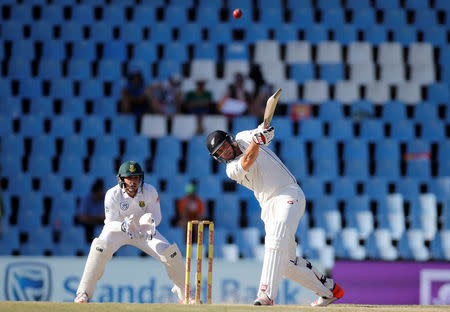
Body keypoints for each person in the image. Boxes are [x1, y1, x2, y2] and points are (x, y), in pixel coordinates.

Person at [205, 126, 345, 306]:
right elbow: (248, 159)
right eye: (220, 152)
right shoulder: (231, 169)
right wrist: (257, 141)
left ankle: (265, 295)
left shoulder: (243, 137)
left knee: (275, 239)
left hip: (288, 193)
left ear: (230, 140)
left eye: (225, 146)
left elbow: (265, 134)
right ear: (218, 158)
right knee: (284, 265)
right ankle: (328, 290)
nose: (225, 151)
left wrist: (264, 133)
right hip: (268, 205)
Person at [74, 161, 187, 304]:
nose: (133, 182)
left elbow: (157, 216)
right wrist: (123, 226)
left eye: (136, 178)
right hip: (118, 230)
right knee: (99, 248)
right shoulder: (112, 194)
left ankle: (186, 294)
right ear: (121, 179)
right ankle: (83, 293)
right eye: (129, 178)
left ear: (141, 178)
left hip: (143, 231)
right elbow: (110, 222)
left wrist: (151, 222)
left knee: (171, 253)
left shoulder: (150, 191)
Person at [76, 179, 105, 243]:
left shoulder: (105, 198)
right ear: (95, 192)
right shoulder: (86, 199)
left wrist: (91, 218)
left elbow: (106, 217)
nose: (102, 193)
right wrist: (97, 218)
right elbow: (82, 217)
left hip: (100, 223)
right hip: (88, 225)